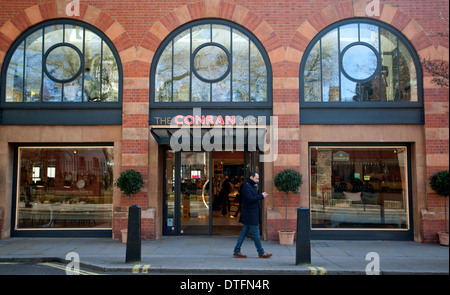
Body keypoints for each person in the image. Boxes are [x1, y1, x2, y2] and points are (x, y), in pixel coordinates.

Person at [233, 171, 272, 259]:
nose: (257, 180)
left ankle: (236, 251)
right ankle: (261, 252)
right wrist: (261, 196)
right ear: (251, 177)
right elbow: (250, 199)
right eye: (256, 178)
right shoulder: (247, 186)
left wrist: (260, 195)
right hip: (250, 215)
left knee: (243, 233)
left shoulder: (250, 186)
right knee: (256, 233)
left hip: (250, 215)